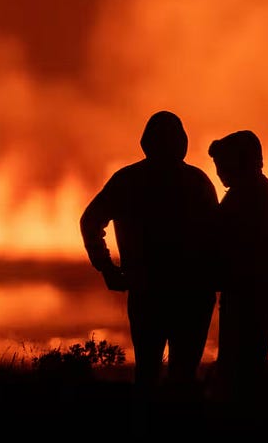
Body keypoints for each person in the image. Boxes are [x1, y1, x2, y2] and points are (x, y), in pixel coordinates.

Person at [80, 111, 218, 397]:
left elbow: (90, 221)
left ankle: (146, 429)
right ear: (183, 143)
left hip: (148, 291)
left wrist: (107, 268)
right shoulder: (198, 182)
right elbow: (217, 238)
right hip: (191, 295)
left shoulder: (128, 180)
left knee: (147, 374)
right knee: (184, 377)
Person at [208, 130, 268, 401]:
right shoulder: (258, 193)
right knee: (247, 364)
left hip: (248, 294)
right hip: (257, 292)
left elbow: (223, 242)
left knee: (238, 368)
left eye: (222, 166)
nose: (219, 174)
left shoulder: (248, 198)